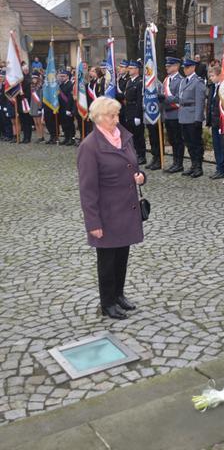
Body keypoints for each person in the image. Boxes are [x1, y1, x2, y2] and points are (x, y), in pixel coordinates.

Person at [77, 96, 145, 320]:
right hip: (107, 214)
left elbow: (133, 165)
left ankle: (118, 295)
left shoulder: (123, 137)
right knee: (107, 261)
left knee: (122, 255)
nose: (116, 120)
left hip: (126, 210)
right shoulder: (89, 147)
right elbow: (87, 190)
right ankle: (107, 303)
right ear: (97, 118)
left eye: (117, 114)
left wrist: (141, 176)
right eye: (111, 116)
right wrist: (93, 223)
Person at [179, 58, 206, 177]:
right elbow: (179, 98)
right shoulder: (184, 81)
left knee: (196, 142)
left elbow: (200, 101)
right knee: (188, 143)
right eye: (184, 68)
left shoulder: (197, 81)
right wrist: (165, 98)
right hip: (184, 115)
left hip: (193, 115)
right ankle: (193, 165)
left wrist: (198, 118)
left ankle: (198, 167)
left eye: (187, 67)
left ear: (193, 68)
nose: (185, 70)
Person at [161, 56, 185, 173]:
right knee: (172, 140)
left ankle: (179, 163)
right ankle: (175, 162)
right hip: (168, 114)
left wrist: (165, 99)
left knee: (178, 140)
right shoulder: (166, 80)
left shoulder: (180, 80)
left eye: (169, 66)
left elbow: (179, 98)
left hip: (176, 114)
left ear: (176, 66)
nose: (167, 68)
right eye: (166, 66)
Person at [206, 65, 224, 179]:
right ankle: (219, 167)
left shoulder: (223, 87)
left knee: (222, 146)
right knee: (216, 146)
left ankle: (223, 169)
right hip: (214, 121)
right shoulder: (212, 87)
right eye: (210, 76)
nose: (211, 78)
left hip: (221, 122)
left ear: (220, 75)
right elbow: (209, 104)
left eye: (213, 75)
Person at [124, 60, 146, 164]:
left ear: (137, 69)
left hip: (136, 110)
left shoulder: (140, 81)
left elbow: (139, 100)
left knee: (139, 135)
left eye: (131, 68)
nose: (129, 70)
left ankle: (141, 155)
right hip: (129, 110)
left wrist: (138, 115)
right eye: (129, 68)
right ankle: (134, 153)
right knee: (131, 135)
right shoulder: (129, 81)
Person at [58, 69, 76, 146]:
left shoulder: (70, 85)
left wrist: (69, 109)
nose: (62, 78)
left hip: (68, 108)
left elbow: (70, 99)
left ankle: (71, 139)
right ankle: (66, 137)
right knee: (63, 124)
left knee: (69, 124)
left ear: (68, 77)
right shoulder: (61, 85)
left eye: (63, 76)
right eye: (61, 76)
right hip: (61, 108)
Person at [29, 72, 45, 142]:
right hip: (33, 105)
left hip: (38, 105)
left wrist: (40, 108)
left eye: (35, 78)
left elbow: (41, 97)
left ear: (38, 78)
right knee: (35, 123)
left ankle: (42, 136)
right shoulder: (32, 86)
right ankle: (38, 136)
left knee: (39, 123)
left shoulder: (40, 86)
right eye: (33, 78)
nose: (33, 80)